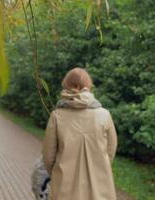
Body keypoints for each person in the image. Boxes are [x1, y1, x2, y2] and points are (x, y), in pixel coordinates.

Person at [43, 67, 118, 200]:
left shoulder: (57, 116)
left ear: (66, 85)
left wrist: (57, 174)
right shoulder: (104, 115)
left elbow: (48, 156)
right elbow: (110, 152)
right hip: (99, 189)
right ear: (88, 86)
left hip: (64, 189)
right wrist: (99, 167)